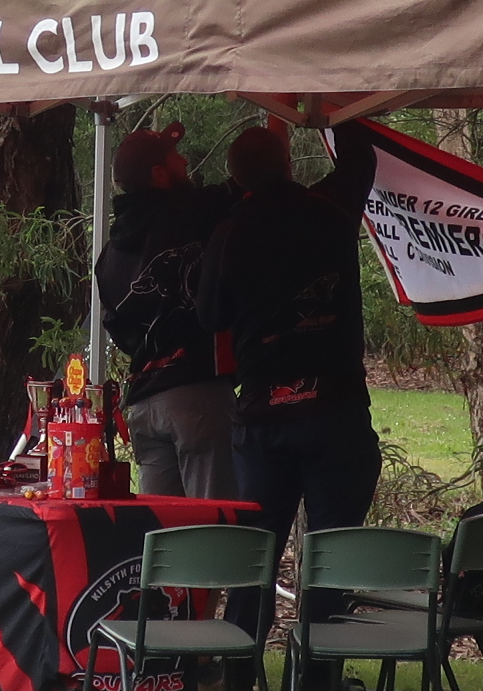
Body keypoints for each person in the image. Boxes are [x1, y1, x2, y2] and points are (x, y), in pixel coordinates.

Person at [194, 119, 382, 610]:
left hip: (264, 413)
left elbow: (210, 316)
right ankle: (322, 656)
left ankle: (240, 652)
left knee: (254, 557)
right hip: (335, 407)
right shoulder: (330, 207)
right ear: (289, 163)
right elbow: (360, 159)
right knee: (332, 556)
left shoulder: (229, 233)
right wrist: (333, 104)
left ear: (237, 179)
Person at [92, 123, 239, 500]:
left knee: (163, 526)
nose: (185, 161)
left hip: (144, 401)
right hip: (197, 392)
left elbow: (117, 327)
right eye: (176, 158)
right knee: (213, 522)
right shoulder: (192, 211)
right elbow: (252, 180)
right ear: (160, 174)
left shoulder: (109, 255)